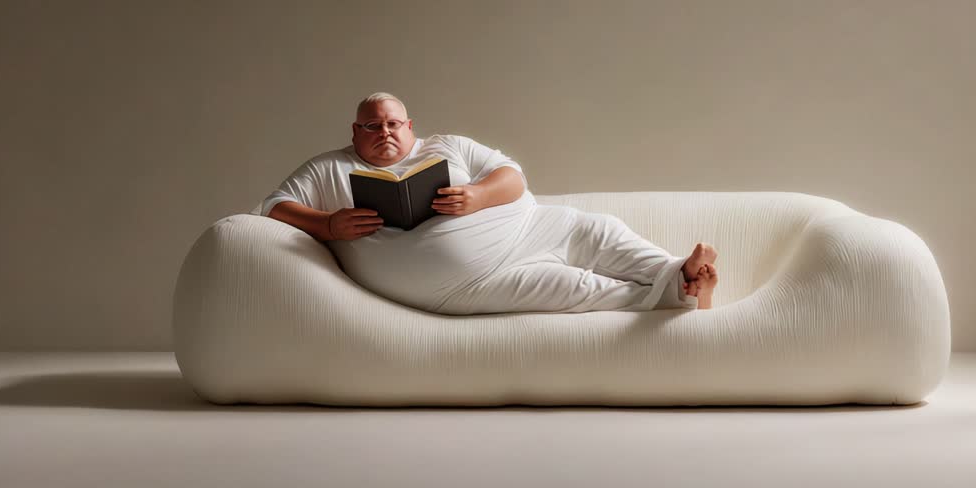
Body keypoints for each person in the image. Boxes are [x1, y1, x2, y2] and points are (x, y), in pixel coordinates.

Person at [258, 91, 719, 315]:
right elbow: (274, 207)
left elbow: (512, 177)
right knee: (575, 287)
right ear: (354, 132)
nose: (385, 134)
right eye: (372, 127)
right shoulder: (328, 168)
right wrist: (330, 224)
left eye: (393, 124)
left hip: (527, 229)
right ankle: (682, 298)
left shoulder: (448, 146)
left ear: (410, 125)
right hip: (464, 284)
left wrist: (476, 196)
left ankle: (681, 272)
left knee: (601, 230)